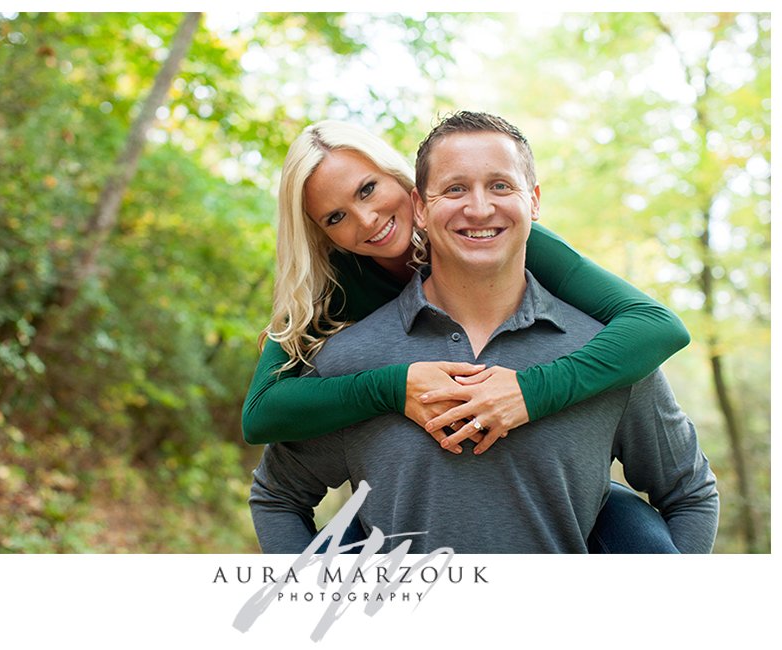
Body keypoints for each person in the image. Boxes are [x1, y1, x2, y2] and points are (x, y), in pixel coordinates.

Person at [248, 111, 719, 554]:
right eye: (335, 217)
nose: (366, 219)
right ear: (424, 202)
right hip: (391, 525)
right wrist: (393, 386)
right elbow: (265, 434)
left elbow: (659, 330)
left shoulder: (599, 336)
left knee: (622, 516)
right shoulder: (329, 306)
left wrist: (531, 391)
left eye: (368, 190)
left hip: (583, 511)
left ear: (532, 201)